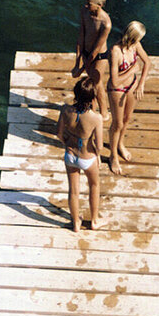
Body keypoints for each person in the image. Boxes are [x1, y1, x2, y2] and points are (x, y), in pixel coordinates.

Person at [56, 75, 104, 232]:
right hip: (87, 157)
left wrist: (67, 144)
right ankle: (95, 221)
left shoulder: (65, 110)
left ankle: (76, 222)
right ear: (92, 98)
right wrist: (97, 156)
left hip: (70, 155)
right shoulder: (96, 118)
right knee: (94, 185)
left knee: (74, 191)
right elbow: (99, 145)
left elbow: (59, 134)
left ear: (75, 93)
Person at [106, 21, 150, 175]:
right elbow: (115, 81)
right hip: (117, 89)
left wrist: (141, 84)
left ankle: (120, 144)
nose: (140, 41)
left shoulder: (136, 46)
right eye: (139, 38)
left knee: (127, 119)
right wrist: (133, 69)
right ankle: (112, 156)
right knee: (117, 123)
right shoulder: (115, 51)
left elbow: (148, 62)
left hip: (132, 86)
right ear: (133, 37)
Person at [71, 0, 111, 121]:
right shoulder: (84, 12)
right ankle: (92, 112)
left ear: (99, 5)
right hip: (86, 53)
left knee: (97, 84)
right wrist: (77, 63)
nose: (86, 5)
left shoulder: (106, 23)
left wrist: (81, 69)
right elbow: (81, 36)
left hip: (98, 56)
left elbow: (96, 49)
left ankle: (104, 114)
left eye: (90, 3)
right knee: (91, 83)